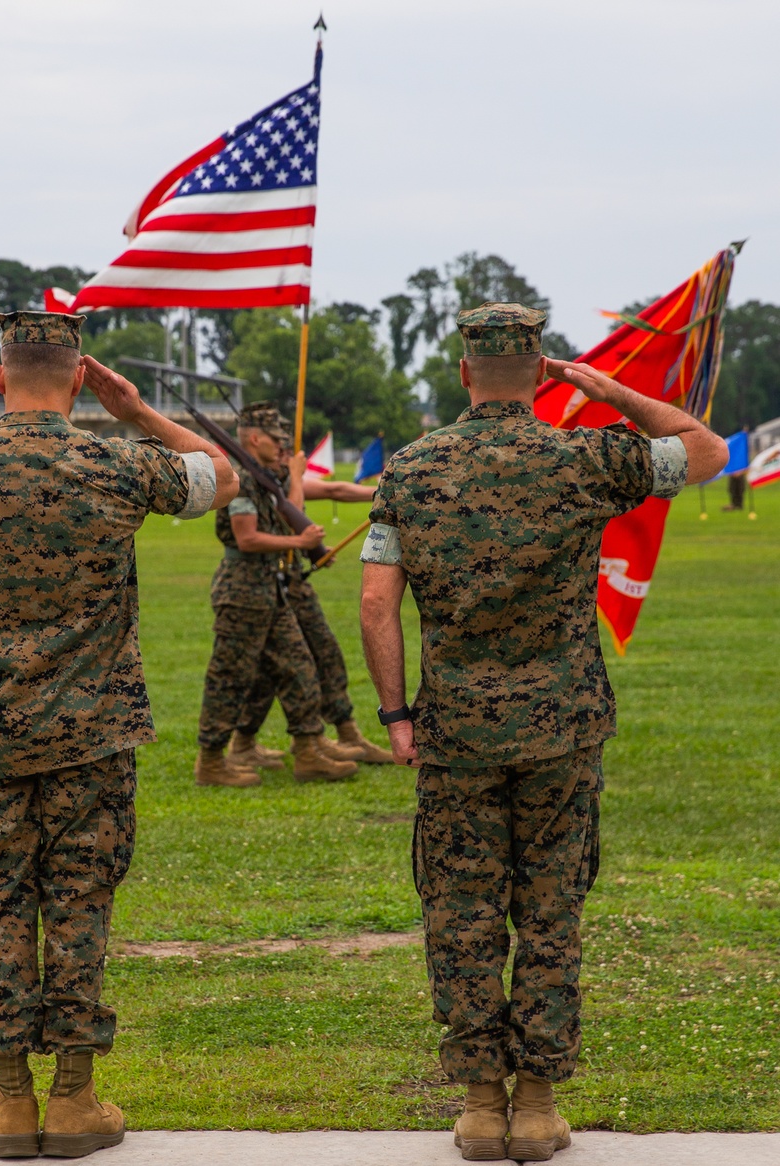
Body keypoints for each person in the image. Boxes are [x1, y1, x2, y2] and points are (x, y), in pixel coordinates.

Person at [358, 302, 728, 1162]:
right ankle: (537, 1105)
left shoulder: (412, 470)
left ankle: (483, 1107)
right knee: (551, 911)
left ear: (463, 374)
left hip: (453, 733)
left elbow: (378, 602)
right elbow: (708, 452)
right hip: (561, 729)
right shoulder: (584, 457)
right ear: (540, 374)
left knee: (463, 911)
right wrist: (610, 391)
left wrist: (396, 716)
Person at [0, 310, 237, 1160]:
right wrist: (136, 410)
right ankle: (74, 1099)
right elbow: (223, 476)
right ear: (79, 378)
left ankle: (11, 1105)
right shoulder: (115, 463)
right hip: (95, 734)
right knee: (80, 899)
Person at [196, 402, 358, 787]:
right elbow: (246, 537)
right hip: (242, 590)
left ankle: (308, 753)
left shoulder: (264, 477)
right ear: (255, 439)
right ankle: (211, 762)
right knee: (230, 677)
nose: (283, 445)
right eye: (276, 439)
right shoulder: (239, 479)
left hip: (270, 588)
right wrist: (298, 540)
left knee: (299, 667)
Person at [230, 437, 395, 768]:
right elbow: (285, 518)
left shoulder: (282, 481)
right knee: (279, 668)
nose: (283, 450)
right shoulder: (257, 485)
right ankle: (259, 743)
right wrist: (295, 478)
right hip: (267, 585)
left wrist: (388, 492)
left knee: (323, 654)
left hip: (292, 583)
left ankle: (341, 735)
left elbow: (337, 491)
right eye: (277, 443)